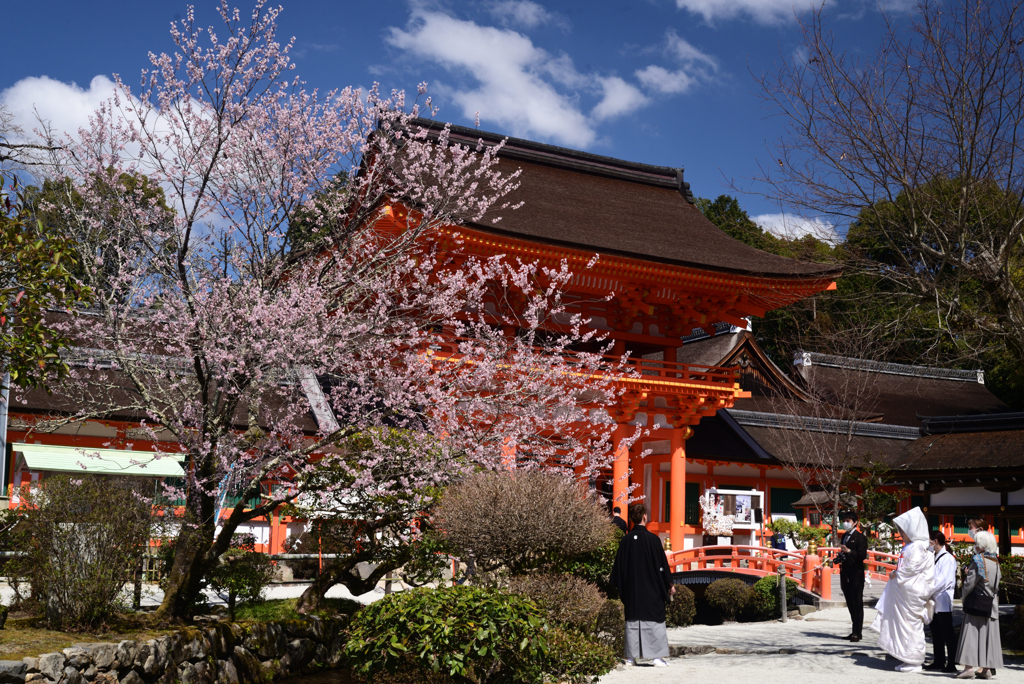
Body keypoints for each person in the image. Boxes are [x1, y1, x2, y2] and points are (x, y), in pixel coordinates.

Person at [870, 507, 935, 673]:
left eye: (903, 531)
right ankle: (906, 658)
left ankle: (915, 660)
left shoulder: (919, 546)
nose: (901, 534)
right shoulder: (911, 546)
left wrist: (897, 573)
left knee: (911, 625)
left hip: (912, 592)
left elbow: (912, 568)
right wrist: (897, 573)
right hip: (905, 591)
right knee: (902, 625)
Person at [610, 503, 675, 668]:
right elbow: (662, 564)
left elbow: (619, 567)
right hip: (651, 588)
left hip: (632, 589)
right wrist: (669, 583)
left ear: (631, 519)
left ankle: (631, 658)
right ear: (644, 517)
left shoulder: (625, 540)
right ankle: (656, 658)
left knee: (632, 619)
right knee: (654, 618)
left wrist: (619, 586)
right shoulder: (653, 539)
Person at [954, 530, 1003, 679]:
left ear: (981, 545)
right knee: (988, 636)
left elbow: (970, 584)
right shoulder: (995, 561)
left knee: (971, 634)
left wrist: (963, 596)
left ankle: (968, 668)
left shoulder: (978, 560)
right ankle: (986, 668)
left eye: (976, 542)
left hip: (977, 603)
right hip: (991, 604)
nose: (975, 545)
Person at [925, 530, 957, 673]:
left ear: (935, 541)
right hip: (933, 599)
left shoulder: (947, 558)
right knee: (936, 632)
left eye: (929, 540)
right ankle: (939, 660)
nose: (928, 544)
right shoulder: (934, 556)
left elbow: (943, 580)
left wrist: (927, 589)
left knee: (947, 633)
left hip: (943, 598)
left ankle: (951, 663)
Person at [837, 511, 868, 642]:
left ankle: (857, 632)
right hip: (845, 573)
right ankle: (853, 630)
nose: (846, 523)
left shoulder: (860, 537)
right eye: (844, 520)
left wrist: (849, 551)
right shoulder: (844, 536)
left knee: (857, 602)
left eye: (848, 521)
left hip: (856, 574)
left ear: (855, 522)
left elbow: (862, 556)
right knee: (850, 602)